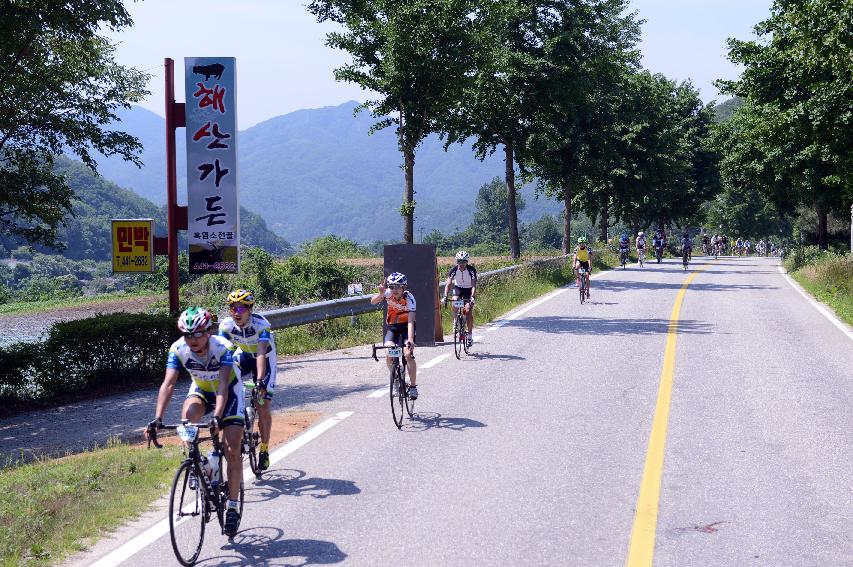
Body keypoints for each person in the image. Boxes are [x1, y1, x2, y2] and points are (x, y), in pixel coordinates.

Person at [146, 307, 245, 536]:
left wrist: (217, 417)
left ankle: (232, 505)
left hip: (228, 393)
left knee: (231, 449)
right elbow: (168, 384)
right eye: (187, 334)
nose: (192, 340)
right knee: (186, 422)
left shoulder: (223, 347)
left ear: (208, 331)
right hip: (200, 390)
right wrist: (157, 418)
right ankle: (199, 464)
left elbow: (222, 385)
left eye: (197, 334)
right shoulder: (177, 349)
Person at [219, 289, 277, 472]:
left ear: (250, 309)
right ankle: (239, 419)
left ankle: (265, 450)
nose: (237, 312)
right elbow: (222, 353)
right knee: (227, 379)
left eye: (242, 308)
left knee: (263, 405)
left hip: (265, 359)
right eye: (233, 308)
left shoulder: (261, 325)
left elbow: (260, 353)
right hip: (243, 356)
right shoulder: (226, 326)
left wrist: (259, 381)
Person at [371, 272, 418, 399]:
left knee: (408, 354)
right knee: (388, 354)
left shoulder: (409, 298)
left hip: (406, 327)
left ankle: (413, 387)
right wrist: (381, 294)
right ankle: (396, 378)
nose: (394, 290)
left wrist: (411, 340)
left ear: (404, 287)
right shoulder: (387, 294)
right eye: (391, 287)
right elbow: (373, 302)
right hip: (393, 328)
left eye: (398, 287)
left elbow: (410, 320)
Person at [442, 250, 477, 348]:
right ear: (456, 261)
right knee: (454, 302)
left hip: (468, 290)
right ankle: (455, 321)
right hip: (458, 289)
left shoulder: (471, 270)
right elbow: (448, 284)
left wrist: (472, 297)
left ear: (467, 262)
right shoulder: (453, 270)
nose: (461, 264)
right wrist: (445, 296)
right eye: (459, 261)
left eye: (463, 261)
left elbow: (474, 285)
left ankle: (469, 336)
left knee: (468, 311)